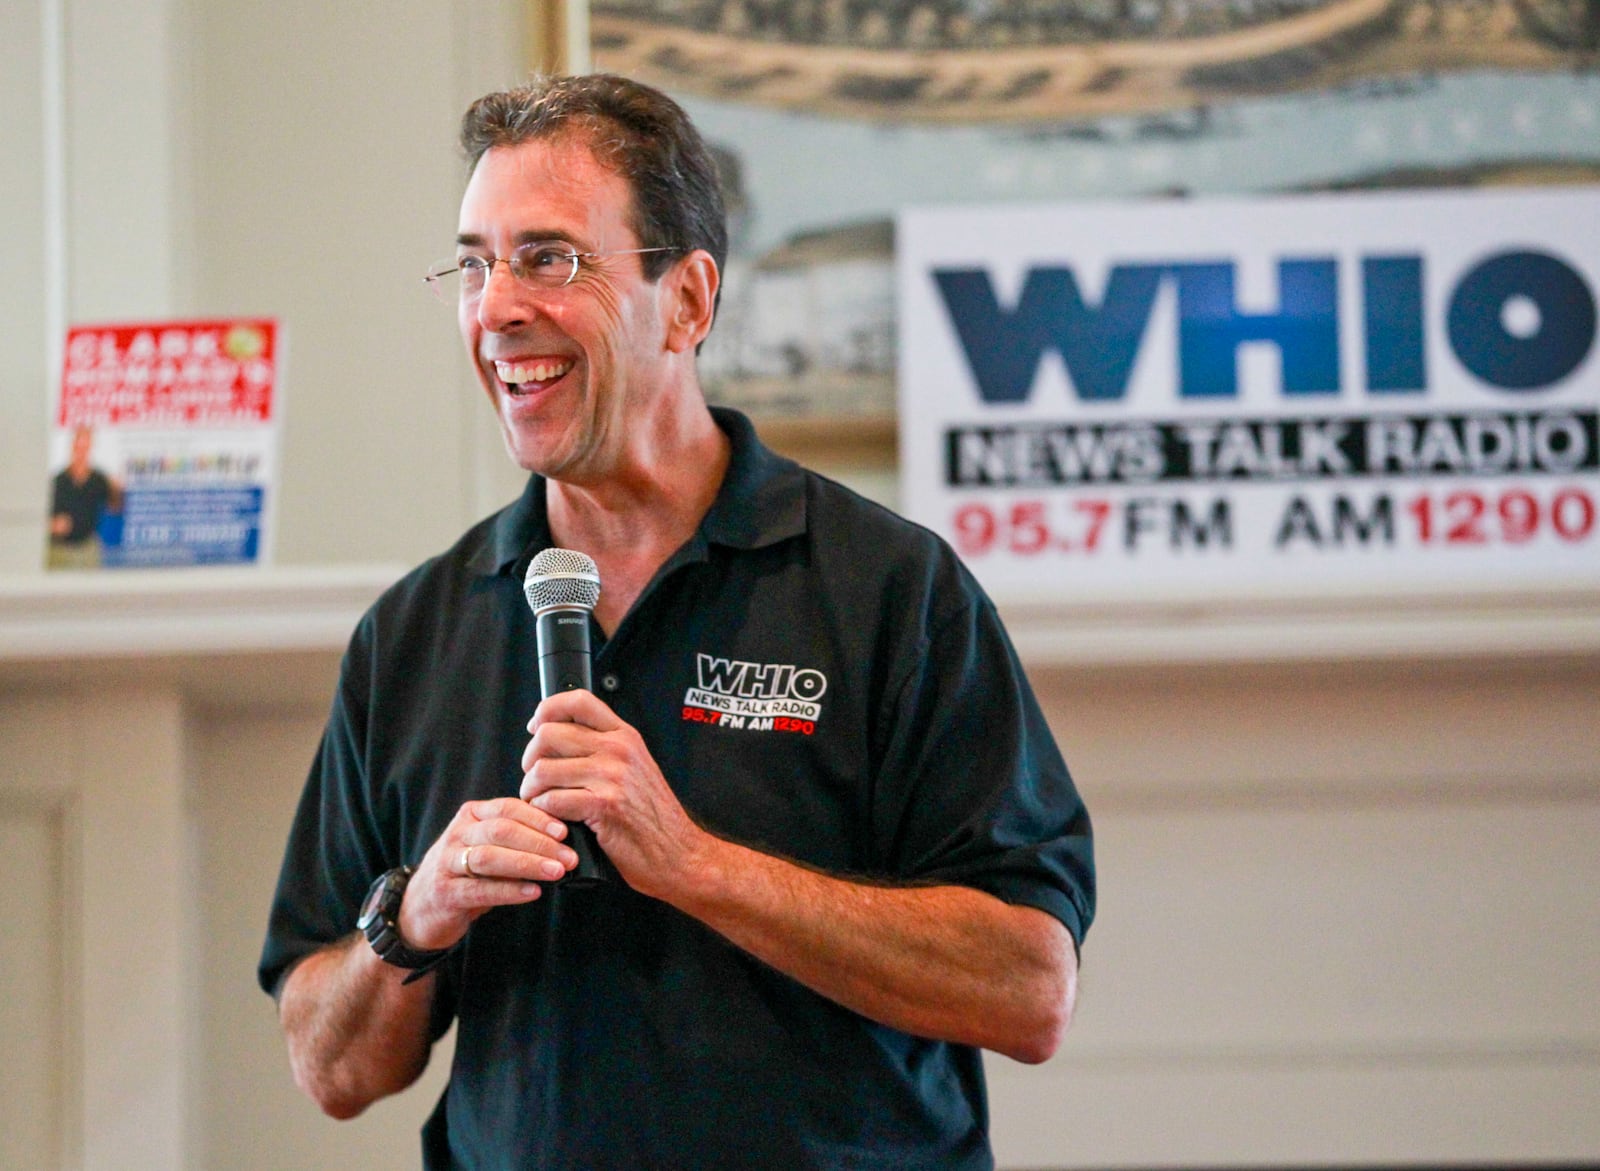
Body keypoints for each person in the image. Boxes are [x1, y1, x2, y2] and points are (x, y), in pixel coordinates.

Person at [259, 73, 1094, 1170]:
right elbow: (330, 1068)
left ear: (689, 300)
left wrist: (695, 864)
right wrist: (414, 917)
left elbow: (1028, 986)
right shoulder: (416, 630)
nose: (496, 306)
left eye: (548, 258)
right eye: (473, 262)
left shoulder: (888, 586)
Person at [48, 424, 121, 570]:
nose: (81, 453)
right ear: (72, 447)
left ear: (90, 449)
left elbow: (114, 508)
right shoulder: (58, 481)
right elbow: (41, 518)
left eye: (85, 448)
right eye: (78, 447)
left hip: (87, 548)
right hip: (60, 549)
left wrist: (116, 490)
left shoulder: (99, 479)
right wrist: (52, 524)